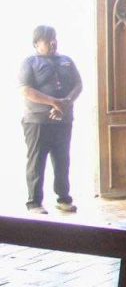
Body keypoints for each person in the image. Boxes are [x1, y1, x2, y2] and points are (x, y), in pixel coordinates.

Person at [18, 25, 81, 214]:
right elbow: (25, 90)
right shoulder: (30, 62)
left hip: (63, 120)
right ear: (37, 44)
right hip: (37, 121)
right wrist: (54, 102)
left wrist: (66, 103)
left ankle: (64, 199)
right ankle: (34, 202)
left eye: (54, 38)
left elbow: (78, 84)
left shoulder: (66, 61)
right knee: (37, 161)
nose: (52, 42)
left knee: (62, 159)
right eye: (47, 40)